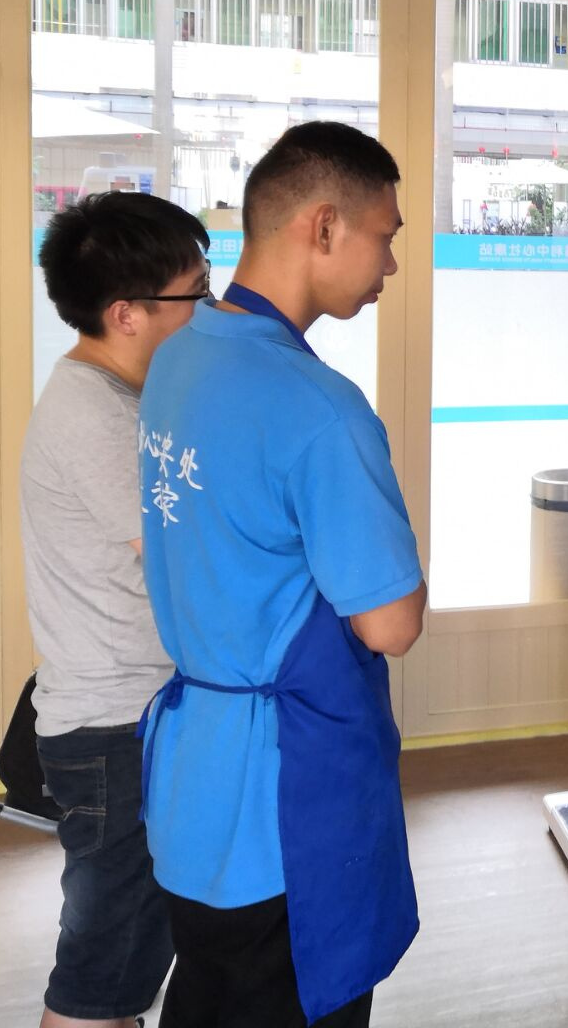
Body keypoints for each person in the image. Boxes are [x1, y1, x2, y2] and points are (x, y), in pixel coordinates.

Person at [136, 123, 425, 1028]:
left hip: (193, 783)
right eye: (385, 235)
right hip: (282, 803)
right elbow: (391, 624)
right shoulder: (318, 409)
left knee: (208, 996)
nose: (390, 262)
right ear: (324, 226)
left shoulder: (179, 357)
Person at [22, 191, 210, 1028]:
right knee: (101, 981)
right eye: (194, 294)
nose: (208, 310)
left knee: (122, 967)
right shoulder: (94, 416)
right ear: (127, 313)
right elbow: (186, 559)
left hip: (127, 720)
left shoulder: (127, 399)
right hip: (114, 733)